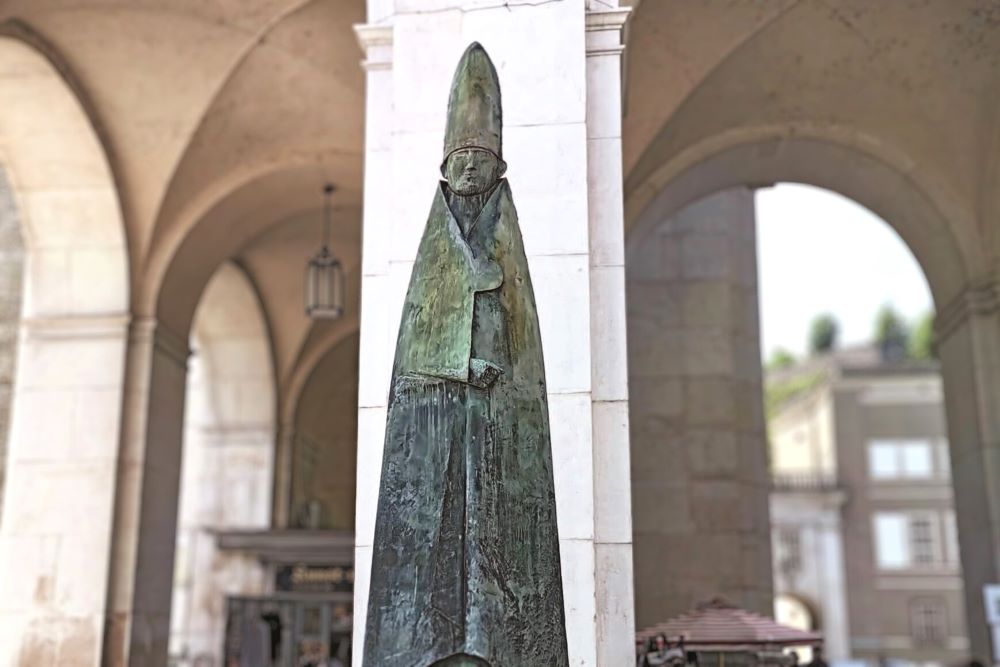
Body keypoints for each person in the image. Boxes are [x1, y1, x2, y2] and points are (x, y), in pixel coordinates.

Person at [362, 42, 569, 667]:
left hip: (499, 425)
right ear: (446, 169)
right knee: (436, 546)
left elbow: (522, 347)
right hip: (440, 425)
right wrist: (457, 370)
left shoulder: (507, 243)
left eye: (481, 158)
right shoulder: (435, 254)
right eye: (462, 158)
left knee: (498, 548)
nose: (471, 169)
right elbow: (417, 348)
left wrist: (494, 379)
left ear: (496, 168)